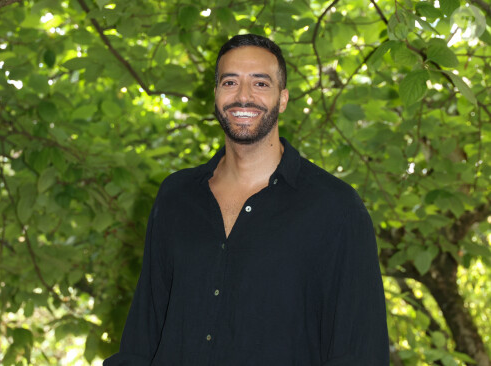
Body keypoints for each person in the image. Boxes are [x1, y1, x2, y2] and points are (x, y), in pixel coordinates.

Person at [103, 34, 389, 366]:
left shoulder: (336, 208)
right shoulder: (176, 197)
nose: (243, 96)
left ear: (282, 99)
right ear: (216, 94)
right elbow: (144, 330)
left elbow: (359, 351)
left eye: (260, 84)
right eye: (230, 82)